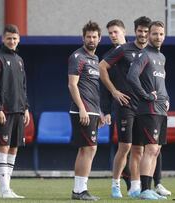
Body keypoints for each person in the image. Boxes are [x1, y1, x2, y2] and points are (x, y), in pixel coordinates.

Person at [100, 16, 152, 198]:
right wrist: (114, 92)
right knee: (125, 147)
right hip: (125, 105)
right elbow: (101, 68)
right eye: (140, 30)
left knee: (140, 149)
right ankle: (115, 185)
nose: (143, 34)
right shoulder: (123, 50)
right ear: (135, 31)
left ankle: (135, 188)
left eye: (147, 31)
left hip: (143, 106)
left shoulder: (151, 52)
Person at [127, 21, 169, 200]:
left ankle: (149, 188)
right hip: (148, 110)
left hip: (161, 110)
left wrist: (166, 98)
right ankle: (144, 190)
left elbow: (161, 83)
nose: (157, 37)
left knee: (156, 150)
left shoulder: (162, 57)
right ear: (149, 35)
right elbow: (131, 76)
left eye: (160, 34)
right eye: (154, 34)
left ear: (164, 35)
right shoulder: (144, 55)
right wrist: (145, 95)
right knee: (150, 149)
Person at [0, 24, 30, 199]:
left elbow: (23, 87)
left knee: (13, 148)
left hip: (19, 111)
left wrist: (26, 108)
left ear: (18, 39)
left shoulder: (19, 60)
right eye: (9, 38)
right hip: (3, 111)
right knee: (3, 147)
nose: (12, 41)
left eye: (14, 38)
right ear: (2, 39)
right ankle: (3, 188)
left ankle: (6, 188)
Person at [68, 21, 104, 201]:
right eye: (88, 37)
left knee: (88, 150)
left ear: (99, 39)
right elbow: (72, 85)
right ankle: (79, 190)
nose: (91, 40)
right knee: (88, 149)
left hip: (92, 111)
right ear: (83, 38)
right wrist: (82, 108)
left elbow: (93, 88)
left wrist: (100, 112)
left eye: (94, 37)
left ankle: (79, 189)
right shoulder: (77, 57)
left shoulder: (96, 59)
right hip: (82, 111)